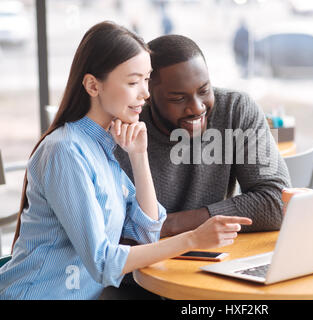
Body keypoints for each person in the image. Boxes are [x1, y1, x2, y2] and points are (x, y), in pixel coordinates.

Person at [0, 21, 251, 300]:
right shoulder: (66, 151)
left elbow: (147, 234)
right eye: (133, 82)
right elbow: (104, 263)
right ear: (93, 86)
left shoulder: (105, 147)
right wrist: (193, 239)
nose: (145, 93)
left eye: (146, 79)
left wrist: (138, 155)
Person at [115, 34, 291, 240]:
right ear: (148, 97)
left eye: (204, 90)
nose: (197, 108)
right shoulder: (122, 130)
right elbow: (113, 229)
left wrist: (171, 225)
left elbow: (278, 202)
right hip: (142, 266)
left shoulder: (236, 110)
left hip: (215, 256)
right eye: (178, 98)